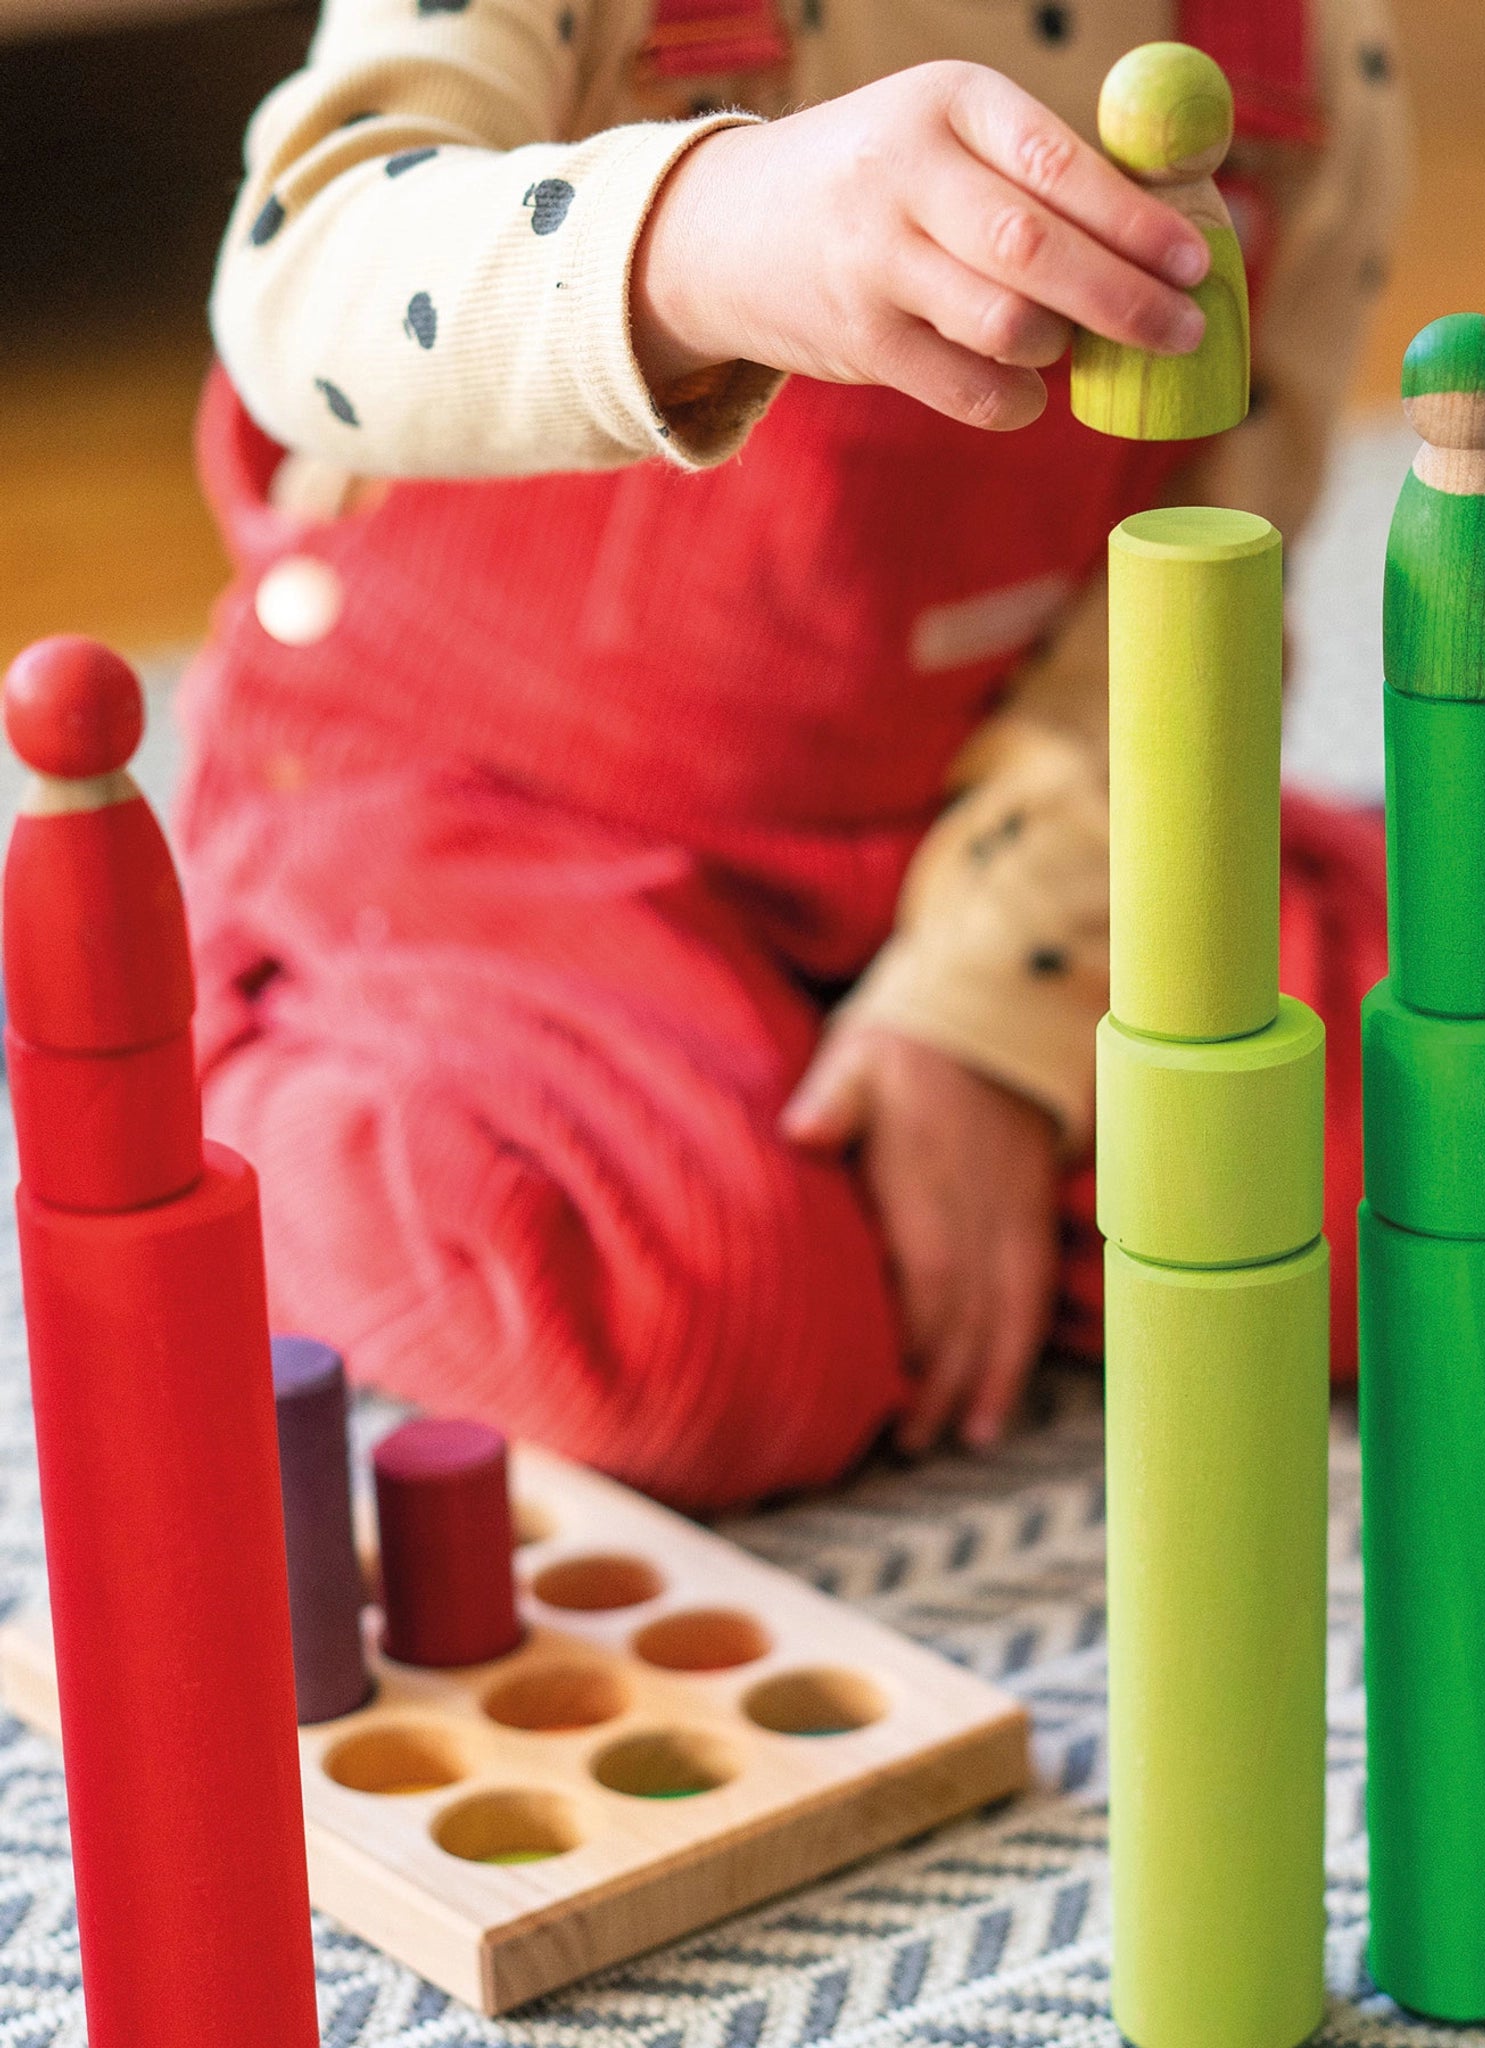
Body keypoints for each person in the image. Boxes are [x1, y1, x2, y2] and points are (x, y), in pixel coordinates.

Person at [182, 0, 1408, 1512]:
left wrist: (984, 1014)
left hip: (963, 813)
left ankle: (873, 1168)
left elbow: (1170, 629)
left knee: (1430, 1147)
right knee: (705, 1326)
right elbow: (300, 277)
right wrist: (703, 241)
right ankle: (264, 1037)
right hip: (479, 829)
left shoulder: (1304, 63)